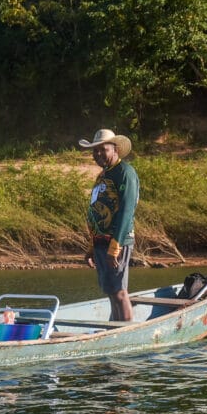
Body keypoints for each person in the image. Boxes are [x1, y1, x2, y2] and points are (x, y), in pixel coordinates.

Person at [80, 128, 140, 322]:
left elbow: (126, 210)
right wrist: (92, 246)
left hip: (116, 242)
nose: (98, 154)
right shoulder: (103, 176)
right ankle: (115, 331)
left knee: (119, 292)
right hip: (100, 242)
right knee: (110, 291)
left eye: (103, 149)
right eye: (95, 151)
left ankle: (125, 334)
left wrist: (115, 246)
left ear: (115, 149)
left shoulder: (125, 173)